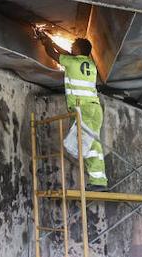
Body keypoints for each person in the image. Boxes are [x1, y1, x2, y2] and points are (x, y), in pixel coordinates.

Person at [34, 26, 107, 189]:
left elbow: (54, 55)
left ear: (79, 49)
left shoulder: (72, 62)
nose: (71, 48)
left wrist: (46, 43)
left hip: (84, 110)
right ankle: (98, 179)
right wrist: (51, 41)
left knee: (88, 145)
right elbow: (67, 54)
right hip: (94, 109)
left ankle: (98, 181)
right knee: (90, 143)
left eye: (73, 46)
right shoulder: (90, 64)